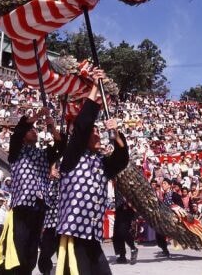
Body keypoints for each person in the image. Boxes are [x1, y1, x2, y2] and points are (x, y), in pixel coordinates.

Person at [56, 68, 129, 274]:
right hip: (73, 235)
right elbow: (82, 126)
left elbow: (122, 159)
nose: (98, 135)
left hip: (92, 234)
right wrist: (96, 87)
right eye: (94, 132)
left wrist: (117, 136)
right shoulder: (72, 158)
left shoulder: (102, 162)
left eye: (99, 132)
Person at [0, 107, 63, 274]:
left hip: (39, 207)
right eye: (31, 130)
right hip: (22, 206)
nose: (34, 131)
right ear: (23, 137)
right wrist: (38, 116)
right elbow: (20, 128)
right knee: (17, 250)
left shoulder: (44, 154)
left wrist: (52, 127)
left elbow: (61, 145)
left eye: (36, 130)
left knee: (31, 253)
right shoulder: (17, 151)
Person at [37, 165, 60, 275]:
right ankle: (46, 271)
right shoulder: (43, 183)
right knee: (44, 254)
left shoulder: (60, 182)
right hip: (49, 224)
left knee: (64, 253)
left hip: (62, 223)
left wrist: (57, 178)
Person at [112, 187, 138, 265]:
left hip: (127, 209)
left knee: (123, 231)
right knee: (116, 234)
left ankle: (133, 248)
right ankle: (122, 256)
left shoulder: (127, 179)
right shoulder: (116, 181)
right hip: (118, 209)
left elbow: (134, 195)